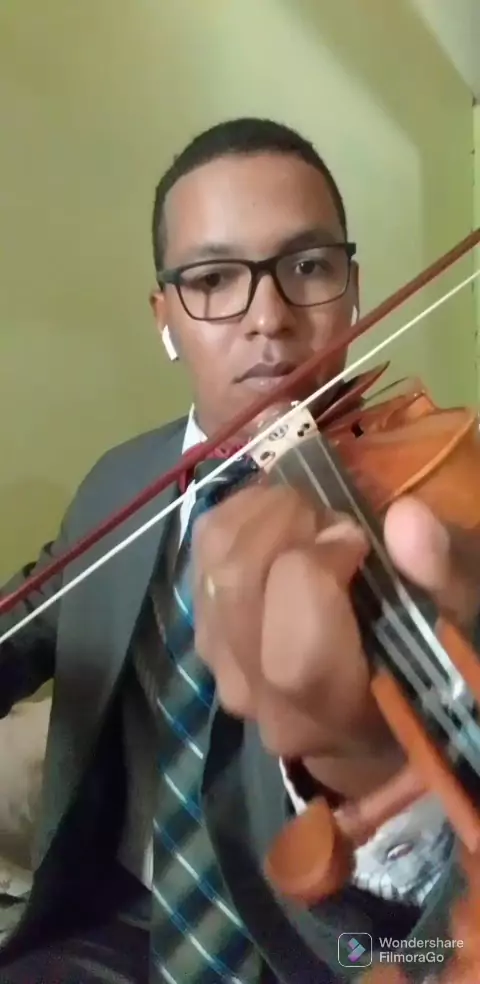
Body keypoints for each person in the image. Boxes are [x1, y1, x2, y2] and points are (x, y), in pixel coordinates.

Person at [0, 117, 477, 984]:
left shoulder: (439, 514)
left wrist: (376, 780)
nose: (269, 319)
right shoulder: (120, 482)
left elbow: (444, 931)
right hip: (110, 929)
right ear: (165, 320)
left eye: (309, 267)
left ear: (353, 289)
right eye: (214, 279)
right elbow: (25, 620)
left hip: (349, 953)